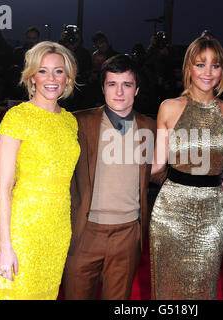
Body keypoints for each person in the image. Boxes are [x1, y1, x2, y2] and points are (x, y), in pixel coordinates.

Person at [63, 54, 164, 300]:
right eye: (112, 84)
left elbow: (161, 173)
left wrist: (207, 183)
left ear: (137, 89)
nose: (119, 92)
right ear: (103, 88)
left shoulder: (150, 126)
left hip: (128, 236)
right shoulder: (77, 122)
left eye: (127, 84)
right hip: (84, 231)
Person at [150, 34, 223, 299]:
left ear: (222, 69)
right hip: (171, 212)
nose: (208, 72)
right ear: (189, 67)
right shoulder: (169, 108)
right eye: (200, 64)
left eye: (215, 65)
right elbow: (157, 165)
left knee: (204, 287)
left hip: (212, 213)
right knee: (168, 289)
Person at [0, 41, 80, 300]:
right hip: (23, 229)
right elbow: (3, 189)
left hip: (58, 228)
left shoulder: (70, 121)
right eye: (43, 71)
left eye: (59, 71)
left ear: (68, 78)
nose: (51, 78)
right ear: (31, 76)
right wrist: (6, 247)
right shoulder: (17, 117)